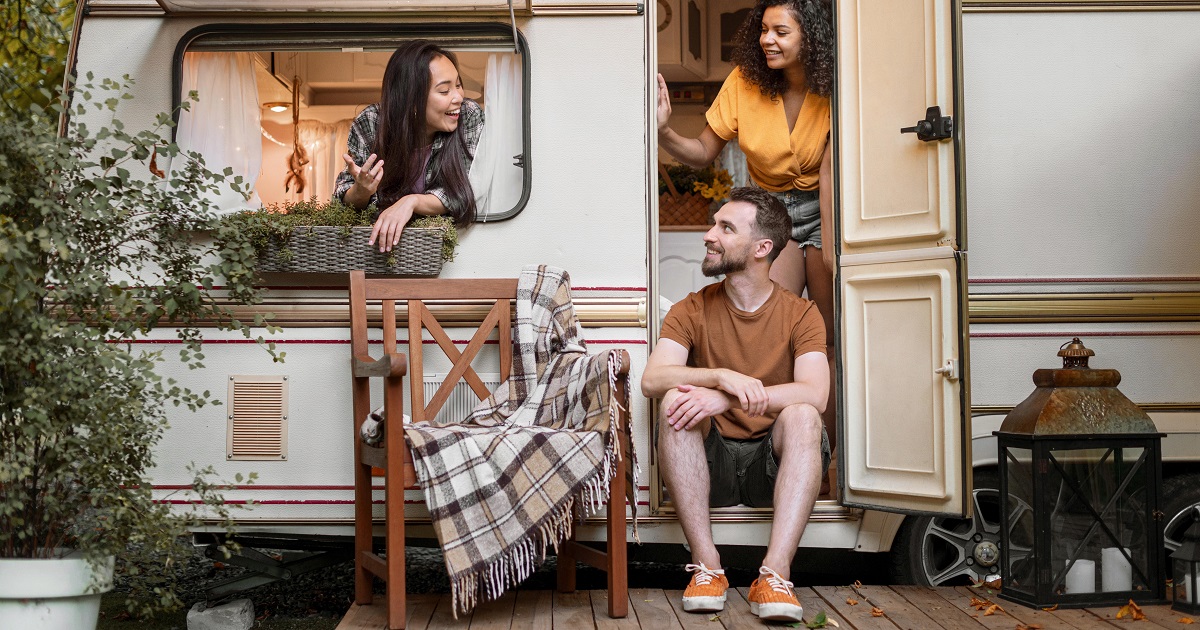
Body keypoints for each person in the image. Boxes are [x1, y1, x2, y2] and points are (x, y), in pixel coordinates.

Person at [656, 0, 838, 483]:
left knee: (827, 335)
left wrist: (832, 246)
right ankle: (761, 453)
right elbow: (701, 153)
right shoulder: (744, 81)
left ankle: (832, 453)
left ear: (811, 38)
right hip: (767, 213)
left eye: (781, 31)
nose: (767, 39)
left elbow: (831, 177)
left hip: (826, 204)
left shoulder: (836, 85)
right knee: (770, 333)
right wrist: (664, 130)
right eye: (763, 30)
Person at [641, 187, 830, 623]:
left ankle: (776, 574)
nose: (709, 235)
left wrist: (725, 396)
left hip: (772, 466)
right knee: (676, 401)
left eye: (725, 227)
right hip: (713, 467)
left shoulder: (801, 314)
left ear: (762, 248)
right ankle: (707, 567)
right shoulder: (692, 309)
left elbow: (815, 393)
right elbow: (654, 379)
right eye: (714, 224)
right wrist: (716, 377)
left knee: (803, 415)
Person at [334, 40, 483, 253]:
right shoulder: (371, 122)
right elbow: (343, 201)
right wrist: (361, 190)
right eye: (444, 91)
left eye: (458, 85)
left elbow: (465, 191)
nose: (458, 97)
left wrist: (411, 202)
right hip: (383, 252)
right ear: (412, 101)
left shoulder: (469, 115)